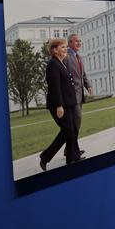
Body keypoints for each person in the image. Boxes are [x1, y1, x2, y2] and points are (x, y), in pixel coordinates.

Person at [39, 38, 84, 170]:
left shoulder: (61, 63)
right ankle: (45, 156)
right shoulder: (53, 64)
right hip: (59, 105)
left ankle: (72, 158)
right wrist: (59, 105)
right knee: (67, 130)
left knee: (72, 130)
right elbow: (55, 87)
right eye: (62, 47)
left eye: (65, 47)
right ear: (54, 50)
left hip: (68, 103)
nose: (65, 50)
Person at [63, 34, 93, 156]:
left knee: (76, 123)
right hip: (71, 97)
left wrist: (88, 85)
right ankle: (72, 150)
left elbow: (83, 75)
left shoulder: (79, 57)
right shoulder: (66, 56)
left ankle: (70, 149)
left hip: (79, 96)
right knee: (75, 122)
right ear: (70, 43)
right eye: (77, 41)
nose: (79, 43)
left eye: (80, 41)